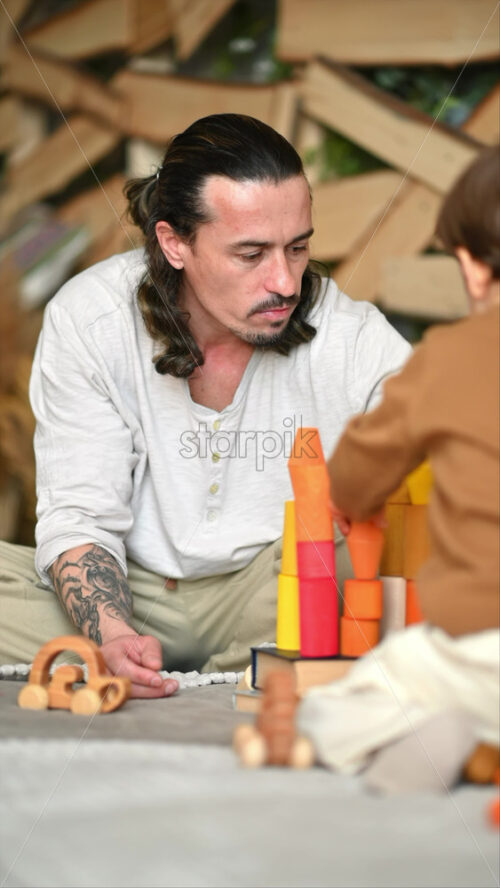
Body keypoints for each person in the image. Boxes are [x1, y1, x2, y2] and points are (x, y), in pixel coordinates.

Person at [0, 113, 411, 698]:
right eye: (251, 254)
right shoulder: (89, 319)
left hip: (271, 596)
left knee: (355, 557)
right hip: (131, 591)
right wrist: (112, 632)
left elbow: (445, 439)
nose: (286, 282)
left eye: (297, 248)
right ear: (174, 243)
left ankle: (239, 666)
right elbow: (80, 516)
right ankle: (200, 667)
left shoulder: (351, 334)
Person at [297, 145, 500, 792]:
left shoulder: (449, 356)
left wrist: (354, 496)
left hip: (476, 651)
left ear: (472, 266)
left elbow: (356, 475)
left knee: (339, 704)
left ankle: (455, 734)